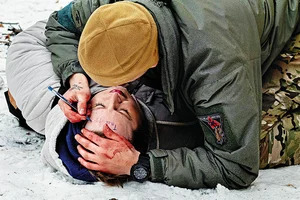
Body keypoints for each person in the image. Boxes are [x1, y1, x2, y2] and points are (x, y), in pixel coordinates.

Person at [44, 0, 300, 189]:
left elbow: (237, 167)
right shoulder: (113, 11)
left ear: (151, 63)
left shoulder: (214, 66)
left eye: (117, 83)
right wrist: (76, 79)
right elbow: (59, 24)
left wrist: (140, 164)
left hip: (287, 23)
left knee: (258, 142)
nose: (112, 94)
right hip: (239, 22)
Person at [5, 20, 201, 186]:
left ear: (79, 110)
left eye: (98, 106)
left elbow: (34, 36)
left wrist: (75, 76)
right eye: (125, 112)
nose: (114, 96)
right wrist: (140, 165)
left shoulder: (40, 101)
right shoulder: (169, 131)